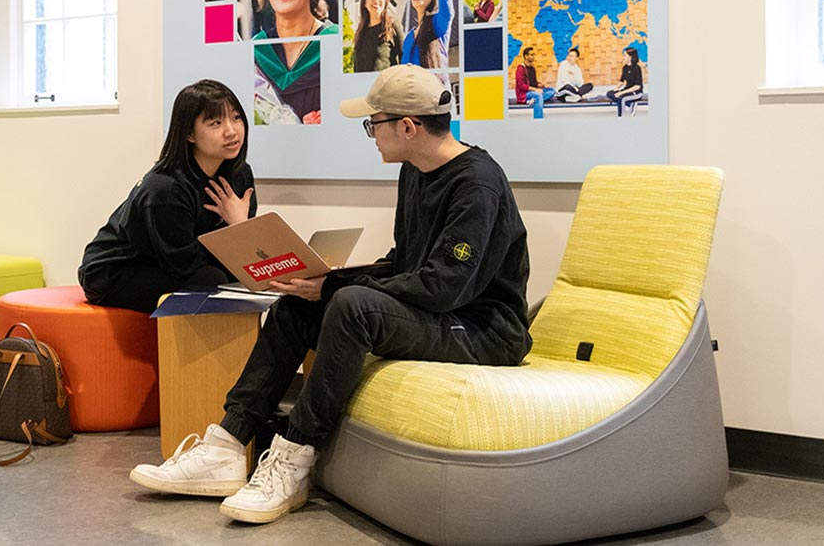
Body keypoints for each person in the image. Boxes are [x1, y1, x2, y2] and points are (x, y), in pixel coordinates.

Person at [129, 64, 532, 525]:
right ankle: (226, 443)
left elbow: (443, 286)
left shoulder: (475, 183)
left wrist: (339, 286)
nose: (371, 135)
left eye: (372, 125)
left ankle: (294, 459)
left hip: (483, 330)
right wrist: (323, 278)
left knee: (349, 302)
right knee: (296, 305)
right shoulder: (416, 170)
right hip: (445, 312)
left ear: (407, 127)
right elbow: (406, 264)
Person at [77, 81, 256, 313]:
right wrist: (239, 232)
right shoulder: (166, 188)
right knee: (211, 279)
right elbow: (184, 265)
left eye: (236, 118)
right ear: (190, 134)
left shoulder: (239, 175)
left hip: (168, 263)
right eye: (216, 123)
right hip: (117, 270)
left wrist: (242, 227)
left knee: (247, 277)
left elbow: (248, 253)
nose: (231, 131)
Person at [352, 0, 404, 72]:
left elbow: (404, 59)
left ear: (385, 1)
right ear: (365, 3)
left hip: (387, 85)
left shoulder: (393, 25)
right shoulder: (360, 32)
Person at [514, 46, 555, 119]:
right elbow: (521, 85)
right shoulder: (520, 68)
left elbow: (533, 83)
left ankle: (532, 100)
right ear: (526, 56)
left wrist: (541, 85)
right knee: (538, 96)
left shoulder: (532, 67)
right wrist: (535, 89)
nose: (534, 57)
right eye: (532, 55)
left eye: (534, 54)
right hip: (524, 94)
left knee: (552, 91)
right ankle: (538, 120)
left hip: (533, 92)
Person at [606, 47, 645, 117]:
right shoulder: (625, 67)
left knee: (621, 99)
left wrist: (621, 93)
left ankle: (621, 117)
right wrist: (616, 89)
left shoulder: (637, 68)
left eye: (625, 55)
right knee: (609, 93)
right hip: (627, 90)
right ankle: (629, 103)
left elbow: (637, 86)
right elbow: (622, 80)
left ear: (630, 57)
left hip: (636, 92)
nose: (623, 57)